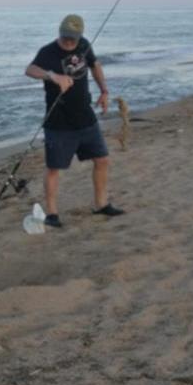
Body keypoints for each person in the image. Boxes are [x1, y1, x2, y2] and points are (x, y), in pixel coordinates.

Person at [24, 14, 124, 227]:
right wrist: (53, 76)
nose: (70, 42)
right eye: (66, 37)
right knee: (54, 168)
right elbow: (30, 70)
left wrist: (104, 91)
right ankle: (52, 214)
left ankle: (101, 204)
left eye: (74, 38)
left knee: (102, 159)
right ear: (60, 33)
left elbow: (95, 65)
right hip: (58, 121)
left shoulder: (85, 45)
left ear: (80, 36)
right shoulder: (48, 52)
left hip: (85, 116)